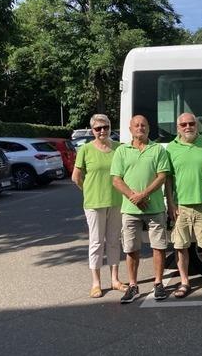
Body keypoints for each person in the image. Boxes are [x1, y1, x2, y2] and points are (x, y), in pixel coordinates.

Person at [110, 115, 171, 303]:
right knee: (130, 248)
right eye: (136, 125)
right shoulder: (122, 151)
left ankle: (158, 283)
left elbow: (162, 176)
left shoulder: (158, 149)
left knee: (159, 246)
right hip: (130, 208)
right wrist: (133, 196)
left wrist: (143, 194)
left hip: (155, 207)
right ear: (130, 129)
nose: (140, 128)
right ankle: (133, 285)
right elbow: (116, 179)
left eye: (143, 125)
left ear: (148, 128)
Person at [72, 114, 127, 298]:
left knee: (114, 241)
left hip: (116, 201)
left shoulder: (119, 148)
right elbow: (76, 177)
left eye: (105, 127)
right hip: (94, 203)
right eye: (98, 128)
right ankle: (96, 282)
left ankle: (115, 279)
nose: (102, 131)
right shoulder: (85, 150)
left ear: (111, 127)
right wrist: (87, 190)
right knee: (96, 243)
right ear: (92, 130)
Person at [165, 112, 202, 298]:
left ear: (197, 125)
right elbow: (168, 180)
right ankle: (184, 281)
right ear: (177, 128)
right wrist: (171, 203)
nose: (188, 127)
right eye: (183, 124)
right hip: (181, 206)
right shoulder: (171, 148)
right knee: (180, 246)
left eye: (191, 123)